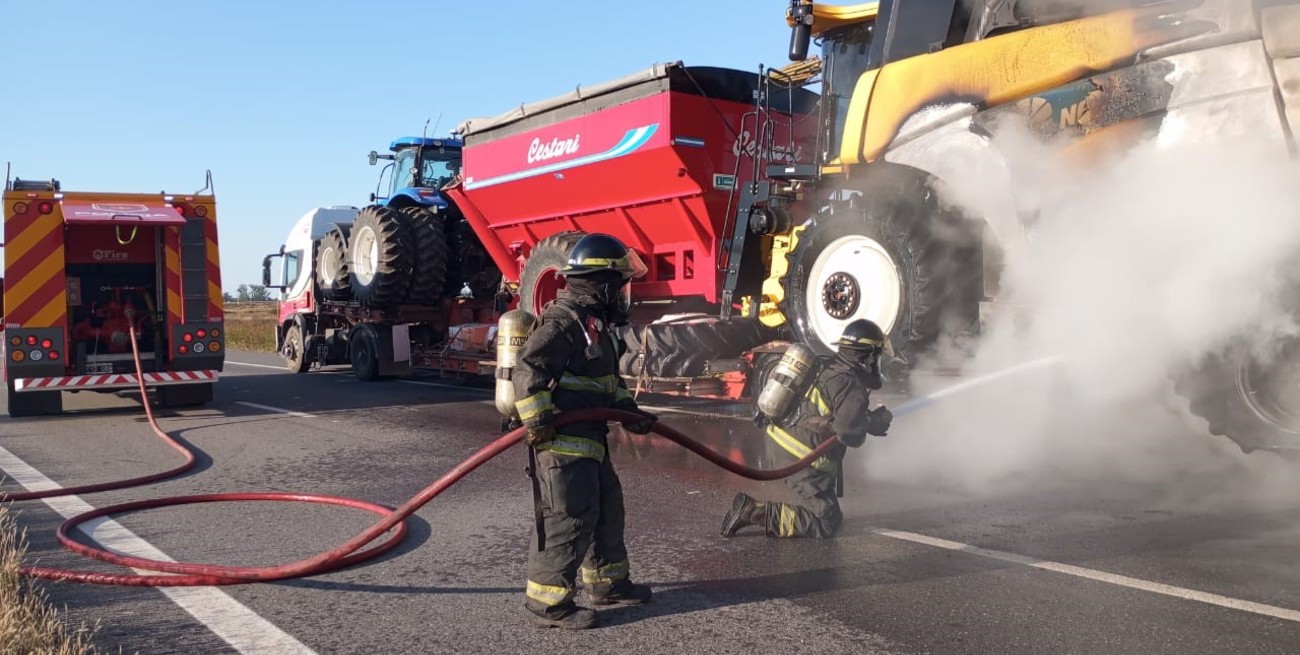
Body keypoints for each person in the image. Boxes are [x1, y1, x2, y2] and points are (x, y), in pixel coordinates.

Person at [513, 233, 657, 630]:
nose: (625, 294)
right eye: (621, 285)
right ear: (604, 285)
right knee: (569, 519)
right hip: (562, 444)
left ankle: (608, 583)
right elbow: (529, 371)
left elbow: (608, 384)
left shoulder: (597, 326)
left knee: (608, 511)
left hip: (591, 442)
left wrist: (629, 411)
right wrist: (539, 419)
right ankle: (549, 603)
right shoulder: (563, 322)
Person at [721, 318, 894, 539]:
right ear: (869, 356)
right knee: (826, 522)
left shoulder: (827, 365)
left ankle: (782, 504)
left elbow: (834, 414)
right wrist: (872, 423)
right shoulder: (851, 383)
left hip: (780, 441)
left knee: (831, 514)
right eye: (877, 356)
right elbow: (850, 433)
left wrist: (865, 419)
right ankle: (754, 511)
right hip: (798, 455)